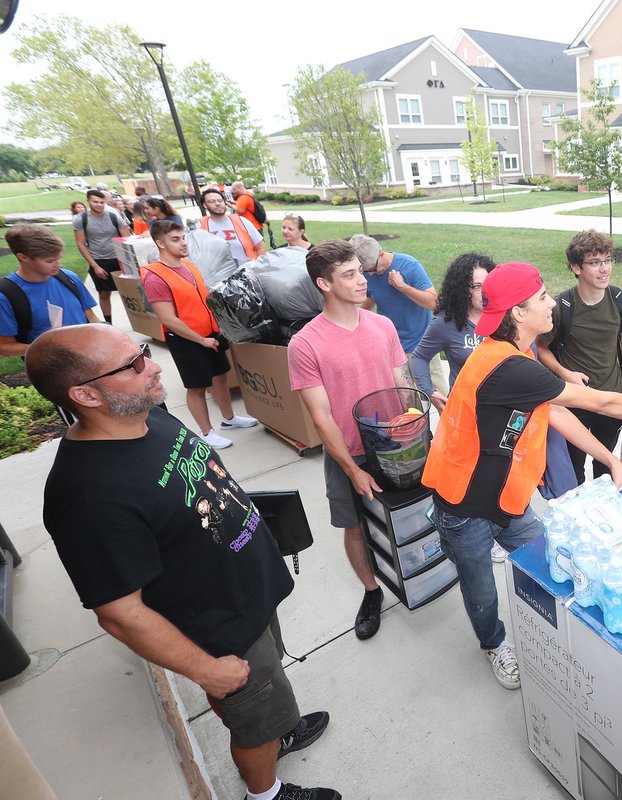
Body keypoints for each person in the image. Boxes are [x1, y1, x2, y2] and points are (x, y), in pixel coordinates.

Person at [26, 324, 341, 800]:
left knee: (257, 702)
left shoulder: (149, 415)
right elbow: (119, 612)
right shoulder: (87, 496)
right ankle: (266, 792)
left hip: (246, 594)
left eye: (143, 353)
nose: (153, 366)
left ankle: (276, 732)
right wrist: (204, 669)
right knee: (254, 720)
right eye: (133, 365)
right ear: (85, 394)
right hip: (217, 627)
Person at [421, 262, 622, 690]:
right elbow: (602, 402)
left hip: (506, 499)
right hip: (463, 505)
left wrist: (613, 460)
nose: (552, 304)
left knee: (553, 558)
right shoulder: (507, 366)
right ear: (517, 313)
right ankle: (494, 644)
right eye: (543, 297)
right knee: (481, 590)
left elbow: (558, 411)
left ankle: (550, 633)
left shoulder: (515, 355)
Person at [288, 240, 408, 642]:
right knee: (354, 526)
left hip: (394, 443)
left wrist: (415, 423)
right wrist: (352, 469)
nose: (363, 279)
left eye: (361, 270)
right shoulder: (305, 343)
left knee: (407, 514)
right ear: (324, 283)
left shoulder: (383, 325)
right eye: (350, 274)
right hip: (349, 453)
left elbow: (401, 383)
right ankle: (372, 592)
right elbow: (321, 418)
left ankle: (412, 569)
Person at [141, 219, 259, 449]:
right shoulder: (156, 276)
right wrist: (200, 340)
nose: (183, 243)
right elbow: (168, 319)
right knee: (196, 388)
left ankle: (229, 419)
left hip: (210, 334)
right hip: (187, 340)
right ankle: (206, 433)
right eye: (175, 239)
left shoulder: (188, 266)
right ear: (160, 244)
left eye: (183, 237)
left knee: (221, 377)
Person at [537, 229, 622, 484]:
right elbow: (541, 349)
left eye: (607, 260)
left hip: (611, 397)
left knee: (606, 466)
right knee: (574, 470)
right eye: (595, 262)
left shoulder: (619, 300)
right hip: (576, 403)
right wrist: (565, 373)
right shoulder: (562, 306)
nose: (604, 269)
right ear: (576, 267)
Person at [409, 252, 494, 413]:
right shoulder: (446, 323)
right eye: (477, 286)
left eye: (488, 283)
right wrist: (430, 392)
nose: (485, 292)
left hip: (502, 410)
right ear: (462, 289)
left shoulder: (505, 317)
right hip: (464, 410)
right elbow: (419, 357)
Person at [1, 224, 99, 357]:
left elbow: (90, 316)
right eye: (50, 261)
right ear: (23, 257)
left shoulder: (69, 277)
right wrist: (50, 348)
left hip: (91, 355)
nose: (59, 265)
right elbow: (5, 346)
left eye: (59, 258)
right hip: (52, 369)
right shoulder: (6, 295)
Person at [348, 234, 437, 356]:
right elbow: (371, 296)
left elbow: (433, 303)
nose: (370, 275)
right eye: (365, 271)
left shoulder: (409, 265)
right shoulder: (367, 273)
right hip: (391, 346)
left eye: (373, 269)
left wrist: (402, 286)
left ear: (381, 254)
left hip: (421, 346)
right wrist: (355, 319)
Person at [72, 188, 131, 324]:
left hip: (119, 259)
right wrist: (95, 266)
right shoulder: (81, 219)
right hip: (99, 260)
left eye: (101, 202)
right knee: (104, 293)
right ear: (88, 201)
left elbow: (127, 239)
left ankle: (141, 321)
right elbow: (81, 244)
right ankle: (108, 323)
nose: (99, 205)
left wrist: (128, 263)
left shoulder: (113, 215)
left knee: (130, 292)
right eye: (95, 202)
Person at [199, 189, 265, 265]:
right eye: (212, 201)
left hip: (247, 271)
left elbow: (260, 246)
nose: (217, 204)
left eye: (220, 201)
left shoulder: (241, 221)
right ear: (204, 205)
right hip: (218, 274)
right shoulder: (200, 226)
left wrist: (259, 265)